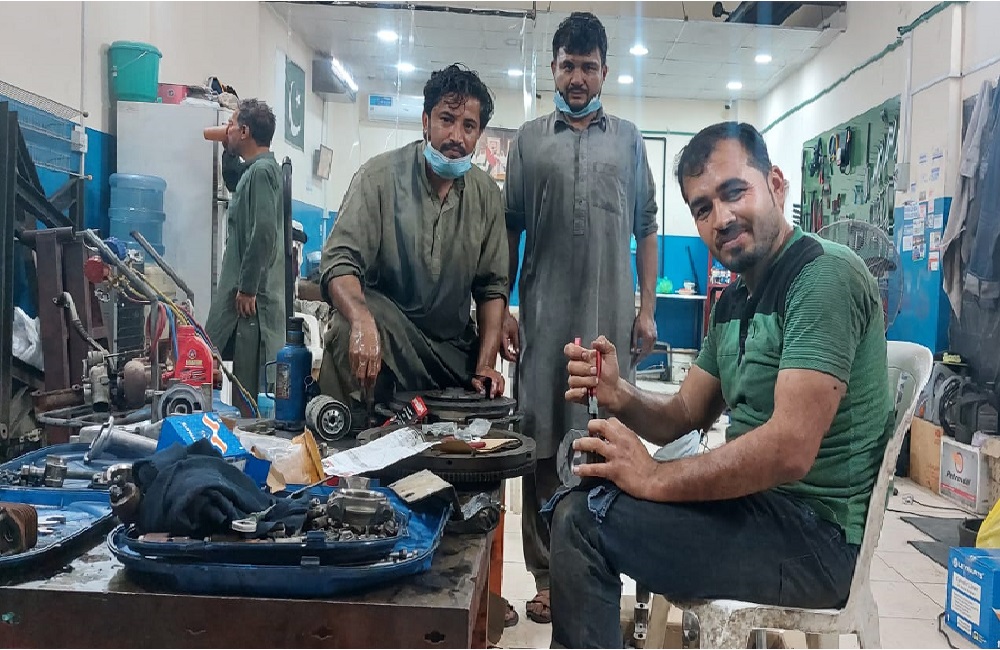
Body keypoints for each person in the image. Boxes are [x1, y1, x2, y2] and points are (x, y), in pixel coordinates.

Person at [549, 122, 893, 648]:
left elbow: (789, 450)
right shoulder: (735, 300)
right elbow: (684, 415)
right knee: (585, 495)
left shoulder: (823, 277)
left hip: (816, 542)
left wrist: (655, 478)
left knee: (583, 524)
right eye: (703, 208)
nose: (722, 218)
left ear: (776, 184)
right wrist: (619, 394)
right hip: (755, 509)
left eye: (735, 192)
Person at [500, 11, 661, 625]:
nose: (577, 77)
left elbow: (647, 228)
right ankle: (546, 577)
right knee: (540, 444)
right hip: (542, 322)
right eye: (568, 65)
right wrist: (505, 307)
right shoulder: (528, 140)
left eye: (588, 67)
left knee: (603, 440)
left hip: (607, 322)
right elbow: (510, 229)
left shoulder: (630, 140)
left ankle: (597, 569)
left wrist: (647, 310)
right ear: (553, 68)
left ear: (605, 72)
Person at [318, 64, 508, 424]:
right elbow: (339, 263)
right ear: (425, 122)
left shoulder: (487, 195)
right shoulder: (378, 178)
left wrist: (486, 364)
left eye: (468, 126)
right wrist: (361, 320)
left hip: (451, 350)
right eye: (446, 120)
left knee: (486, 419)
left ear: (479, 134)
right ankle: (343, 438)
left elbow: (492, 288)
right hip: (388, 334)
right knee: (345, 331)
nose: (456, 136)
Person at [205, 99, 285, 411]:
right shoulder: (257, 171)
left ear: (246, 131)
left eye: (232, 124)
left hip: (252, 302)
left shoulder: (263, 172)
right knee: (235, 379)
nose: (228, 128)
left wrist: (249, 286)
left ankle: (250, 437)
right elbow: (234, 181)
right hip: (244, 296)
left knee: (249, 392)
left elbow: (263, 231)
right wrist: (227, 148)